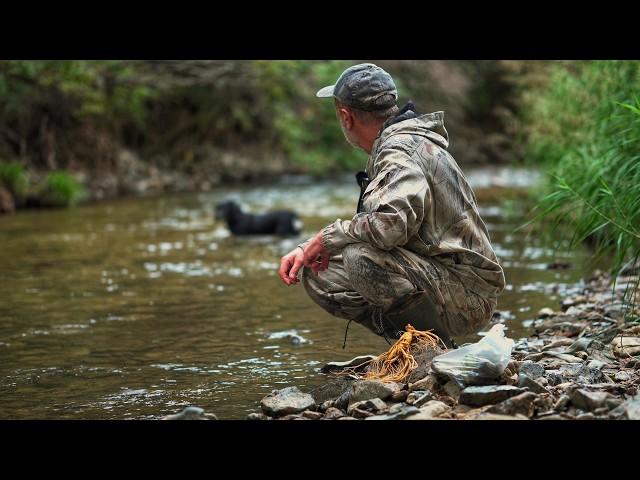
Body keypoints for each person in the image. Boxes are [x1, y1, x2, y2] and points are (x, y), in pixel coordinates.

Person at [277, 63, 505, 349]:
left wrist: (326, 237)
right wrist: (312, 247)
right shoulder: (398, 143)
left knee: (360, 257)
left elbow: (389, 227)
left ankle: (431, 350)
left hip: (468, 296)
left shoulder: (398, 151)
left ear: (346, 117)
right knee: (319, 272)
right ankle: (408, 343)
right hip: (451, 280)